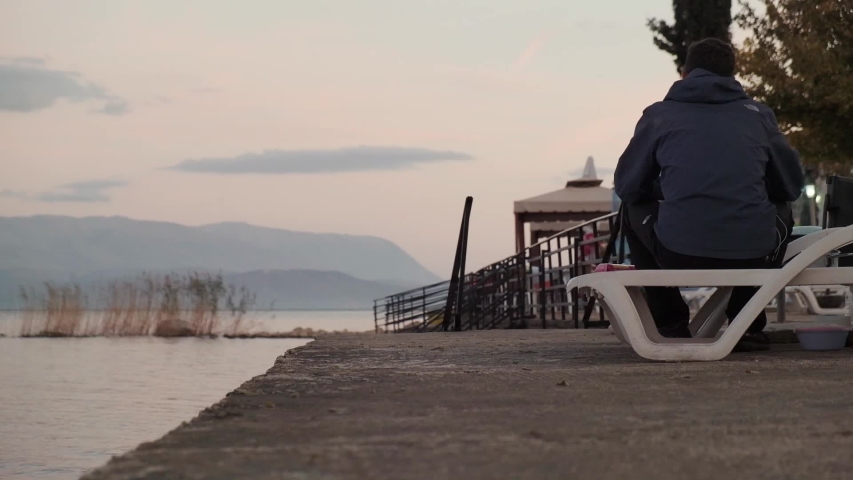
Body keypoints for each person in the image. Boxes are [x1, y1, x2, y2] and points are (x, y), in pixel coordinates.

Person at [613, 38, 804, 352]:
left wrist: (669, 189)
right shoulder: (758, 115)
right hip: (751, 252)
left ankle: (671, 324)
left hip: (677, 251)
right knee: (781, 209)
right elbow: (790, 187)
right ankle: (748, 324)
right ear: (733, 75)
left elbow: (628, 187)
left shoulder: (659, 115)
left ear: (685, 73)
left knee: (632, 208)